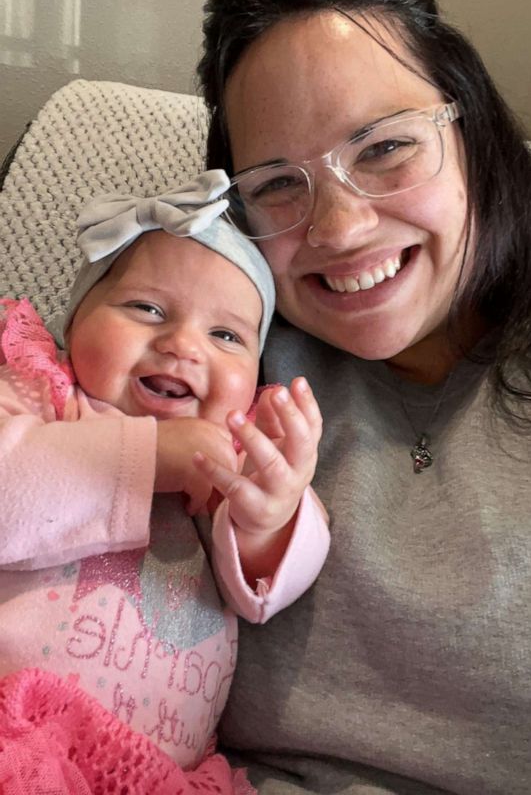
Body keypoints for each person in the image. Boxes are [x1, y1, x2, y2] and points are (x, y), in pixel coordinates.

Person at [197, 0, 531, 794]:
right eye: (277, 184)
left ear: (467, 126)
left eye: (383, 147)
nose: (340, 229)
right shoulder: (219, 349)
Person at [0, 170, 329, 794]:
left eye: (226, 335)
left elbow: (263, 593)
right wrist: (146, 457)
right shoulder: (39, 393)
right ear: (75, 325)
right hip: (17, 730)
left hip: (157, 776)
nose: (182, 345)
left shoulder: (229, 449)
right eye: (147, 308)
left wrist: (269, 519)